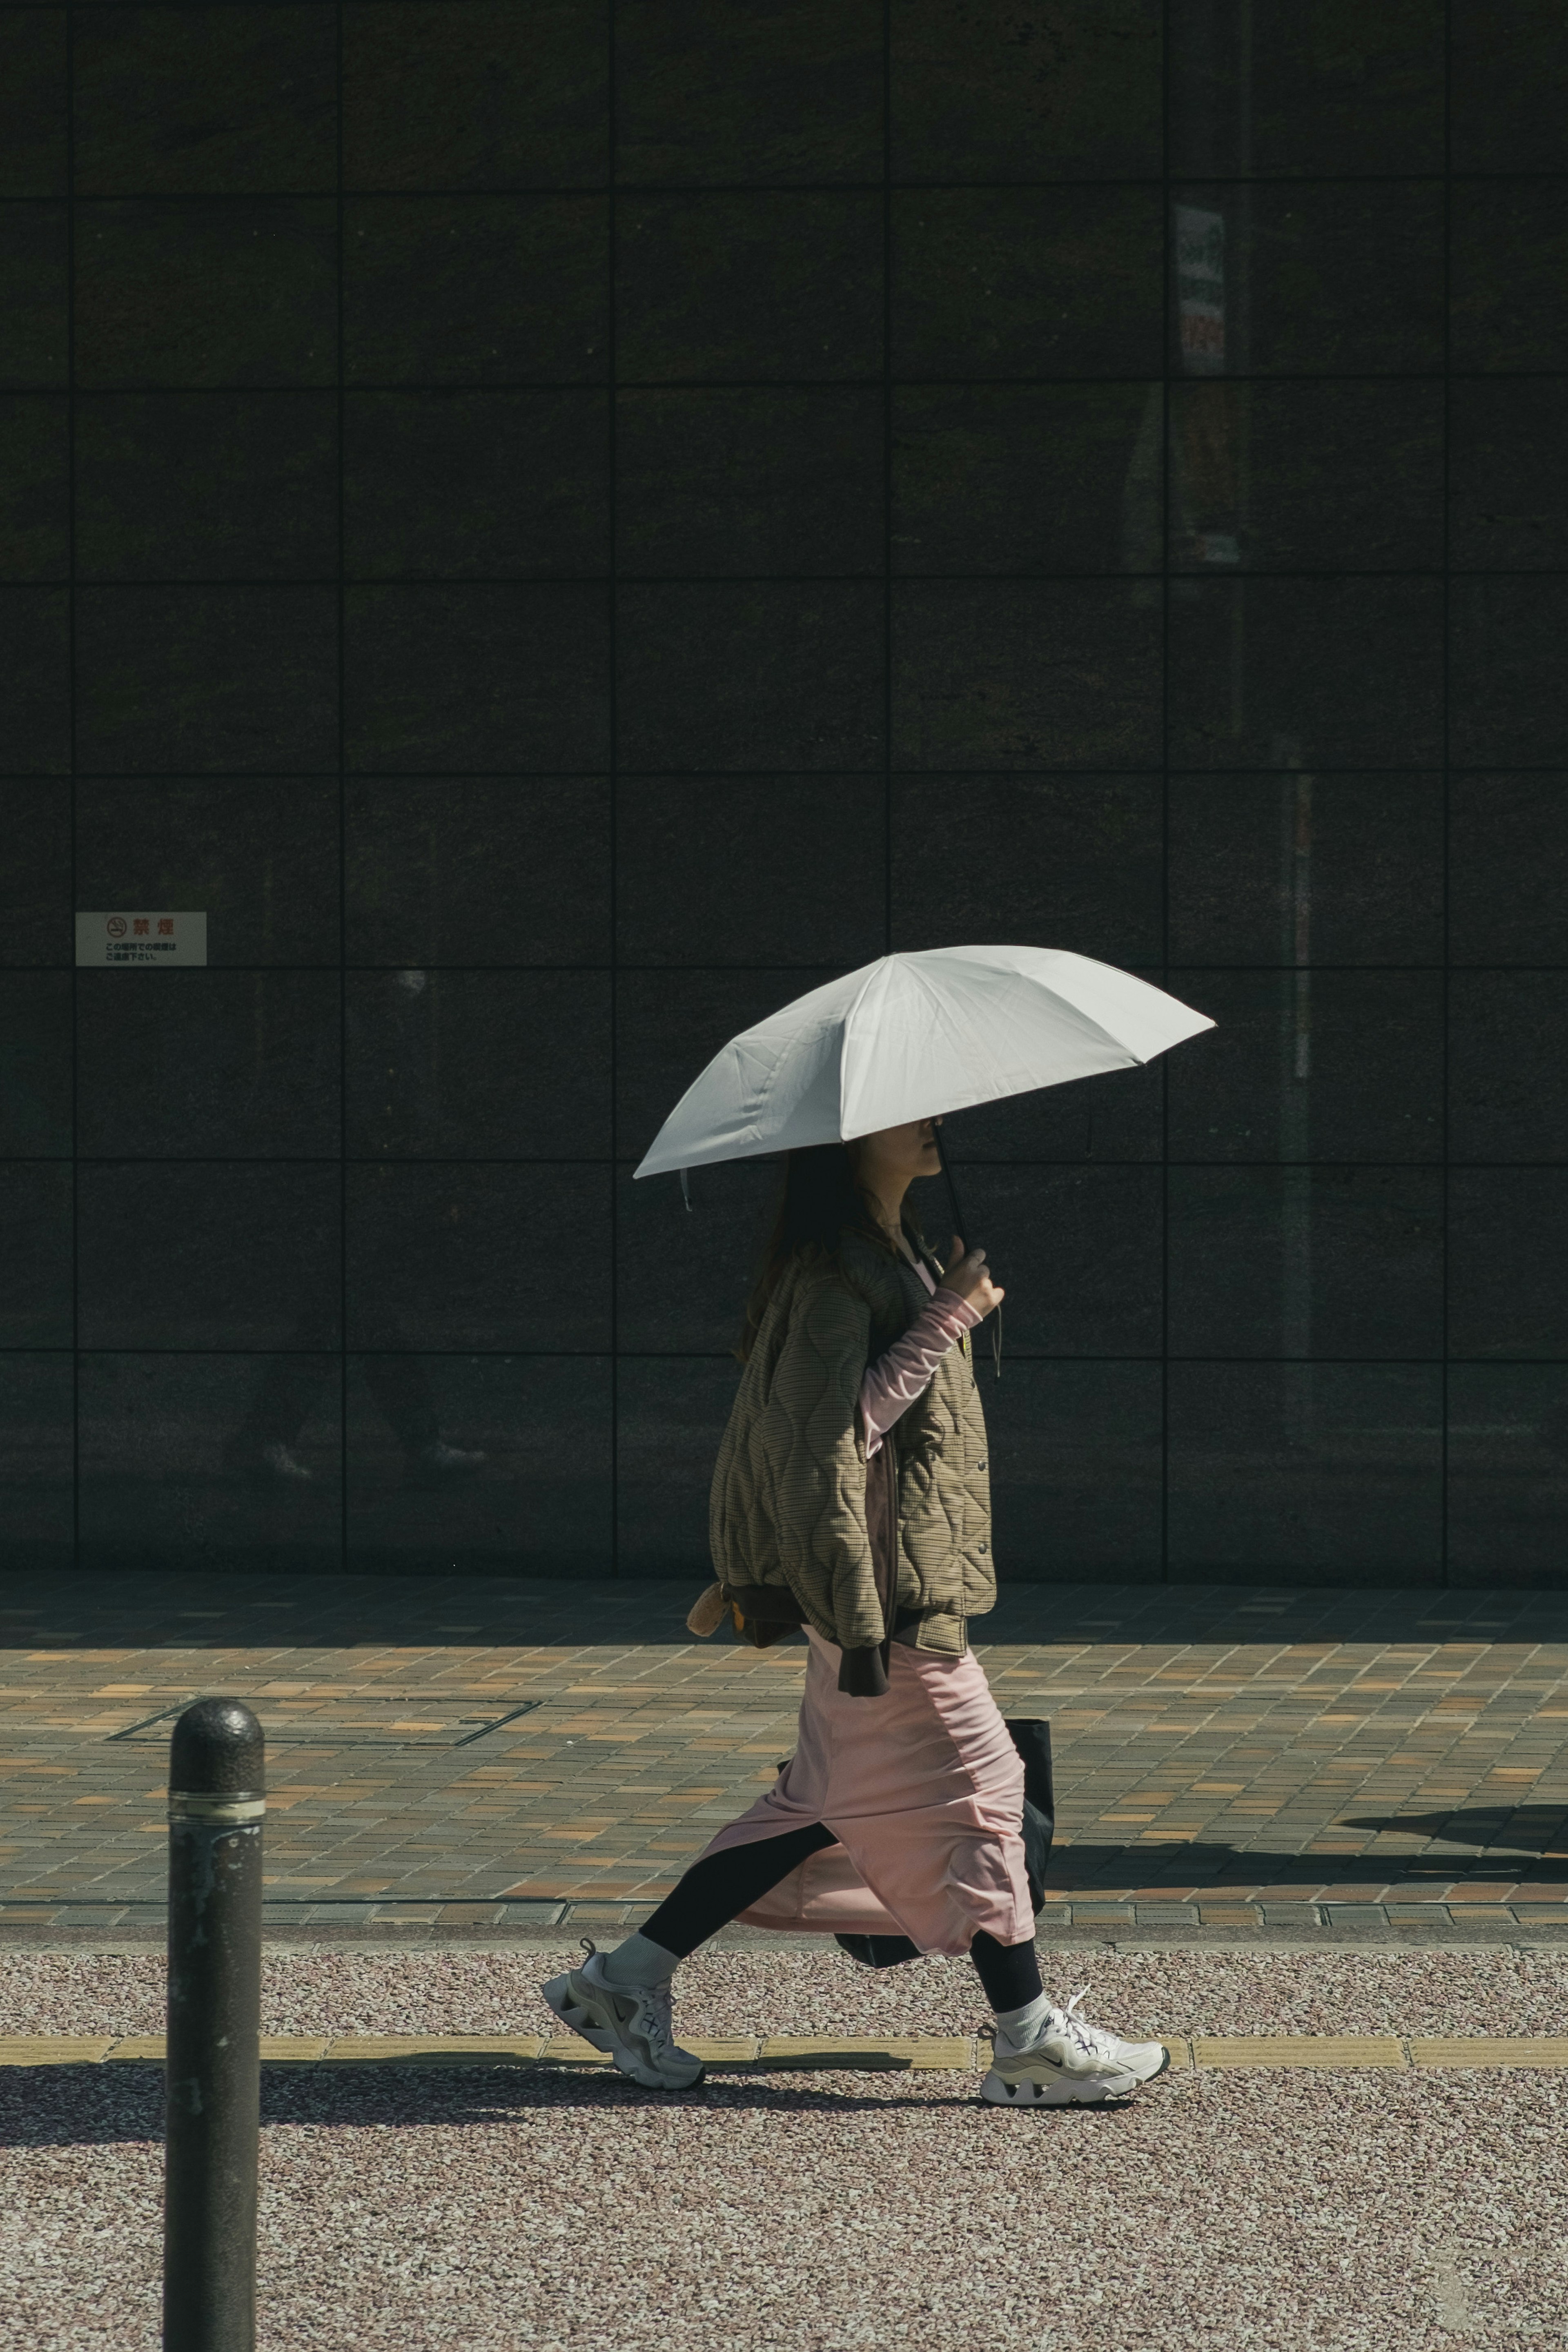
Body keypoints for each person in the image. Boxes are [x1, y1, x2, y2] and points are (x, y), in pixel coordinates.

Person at [543, 1117, 1168, 2108]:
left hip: (884, 1588)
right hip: (881, 1598)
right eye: (905, 1111)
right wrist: (945, 1319)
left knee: (811, 1805)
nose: (932, 1124)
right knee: (989, 1790)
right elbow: (831, 1438)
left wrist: (948, 1299)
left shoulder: (894, 1251)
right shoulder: (836, 1273)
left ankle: (622, 1981)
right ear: (845, 1140)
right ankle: (1029, 2044)